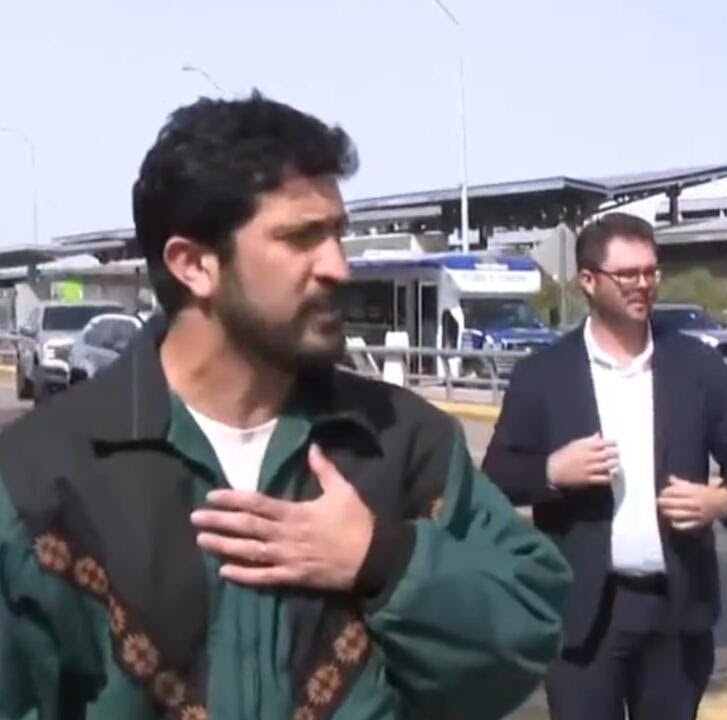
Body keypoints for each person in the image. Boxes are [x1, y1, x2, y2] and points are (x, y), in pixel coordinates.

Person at [0, 94, 570, 720]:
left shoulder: (403, 444)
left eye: (337, 234)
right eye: (302, 238)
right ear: (193, 265)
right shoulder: (45, 474)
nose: (338, 267)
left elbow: (527, 629)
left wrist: (384, 560)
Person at [482, 212, 727, 720]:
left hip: (676, 610)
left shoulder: (695, 365)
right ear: (588, 281)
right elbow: (497, 475)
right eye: (628, 274)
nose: (643, 285)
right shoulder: (543, 375)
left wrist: (723, 500)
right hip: (583, 616)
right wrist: (552, 470)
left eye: (651, 272)